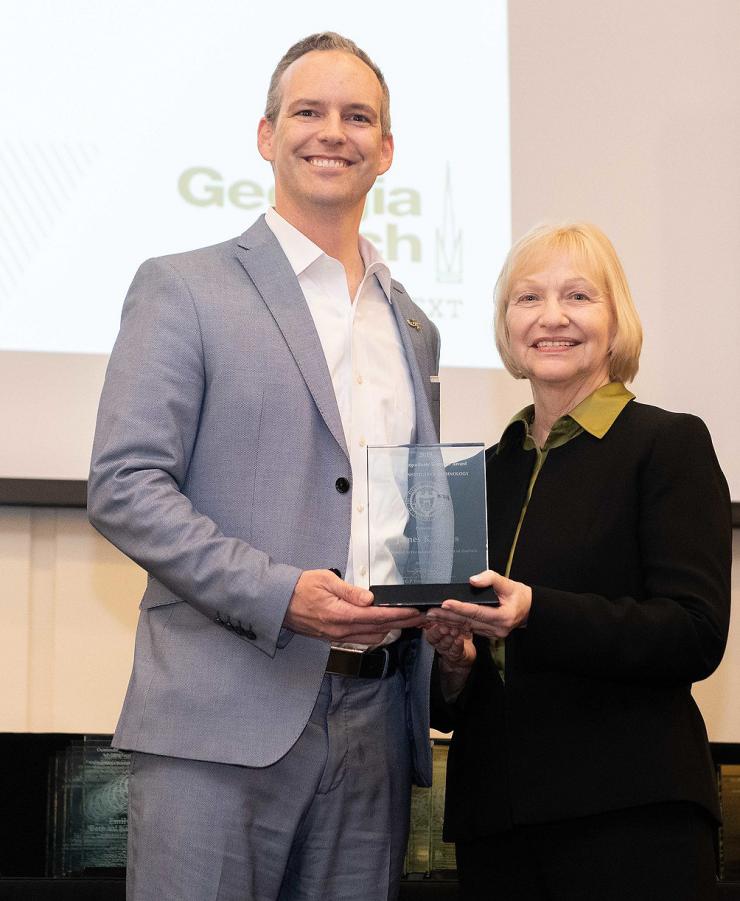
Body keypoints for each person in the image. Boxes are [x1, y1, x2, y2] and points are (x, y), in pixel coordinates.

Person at [88, 32, 441, 901]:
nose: (333, 132)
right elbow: (125, 484)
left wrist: (441, 607)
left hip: (377, 727)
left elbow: (410, 514)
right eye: (308, 111)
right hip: (219, 720)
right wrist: (281, 591)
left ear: (386, 149)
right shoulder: (184, 287)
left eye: (358, 116)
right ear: (265, 135)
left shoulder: (417, 326)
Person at [424, 222, 731, 901]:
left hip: (631, 820)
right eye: (528, 298)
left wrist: (535, 612)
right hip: (494, 826)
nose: (552, 317)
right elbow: (450, 694)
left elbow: (695, 632)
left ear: (616, 319)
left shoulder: (667, 444)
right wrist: (453, 663)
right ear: (506, 326)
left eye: (578, 296)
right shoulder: (472, 476)